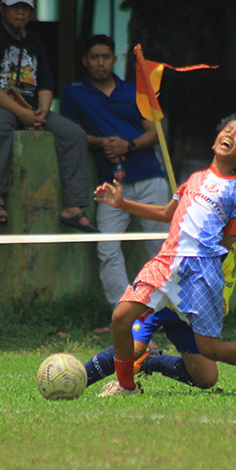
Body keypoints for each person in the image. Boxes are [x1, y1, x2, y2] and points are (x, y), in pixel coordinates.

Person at [94, 112, 236, 397]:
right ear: (215, 140)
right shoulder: (193, 180)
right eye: (226, 129)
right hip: (166, 262)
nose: (229, 134)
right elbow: (166, 214)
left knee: (211, 349)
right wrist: (123, 204)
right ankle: (126, 386)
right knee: (121, 317)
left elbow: (229, 239)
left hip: (200, 272)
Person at [88, 201, 236, 394]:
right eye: (235, 221)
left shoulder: (233, 259)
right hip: (159, 305)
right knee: (134, 347)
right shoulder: (191, 242)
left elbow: (222, 304)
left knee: (206, 378)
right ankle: (80, 378)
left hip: (185, 317)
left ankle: (150, 360)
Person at [0, 0, 96, 231]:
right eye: (15, 8)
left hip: (30, 110)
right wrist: (22, 114)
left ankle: (73, 207)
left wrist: (42, 111)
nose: (20, 13)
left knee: (74, 134)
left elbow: (46, 83)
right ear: (2, 9)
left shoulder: (34, 42)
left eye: (26, 8)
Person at [61, 34, 168, 312]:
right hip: (110, 185)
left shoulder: (134, 90)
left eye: (105, 57)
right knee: (107, 248)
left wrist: (128, 145)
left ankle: (160, 314)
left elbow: (154, 132)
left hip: (149, 176)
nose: (100, 63)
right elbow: (72, 135)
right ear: (85, 61)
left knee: (158, 249)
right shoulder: (74, 94)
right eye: (94, 57)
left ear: (114, 59)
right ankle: (121, 315)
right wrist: (102, 142)